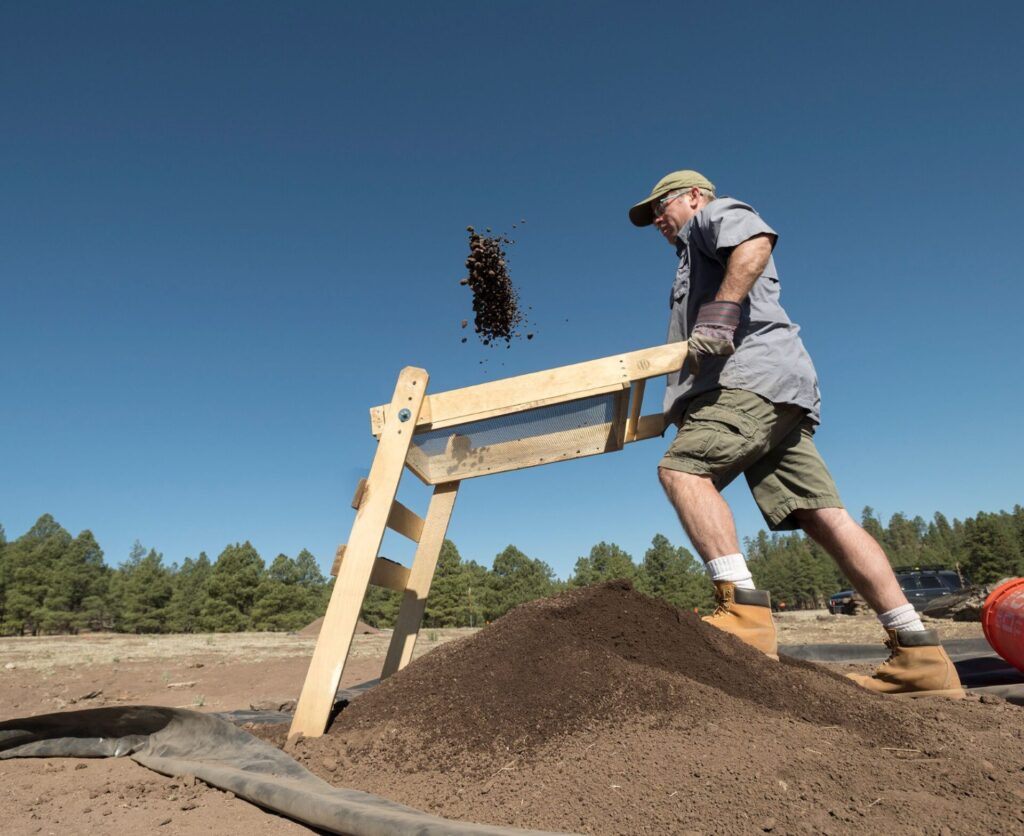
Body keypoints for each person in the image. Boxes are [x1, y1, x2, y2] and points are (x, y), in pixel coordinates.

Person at [628, 170, 964, 698]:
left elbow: (756, 241)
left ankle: (742, 613)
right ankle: (919, 652)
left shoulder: (711, 217)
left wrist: (722, 311)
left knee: (683, 471)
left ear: (694, 196)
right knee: (824, 516)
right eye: (651, 218)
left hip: (748, 380)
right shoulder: (690, 256)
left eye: (660, 208)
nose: (657, 222)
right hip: (780, 390)